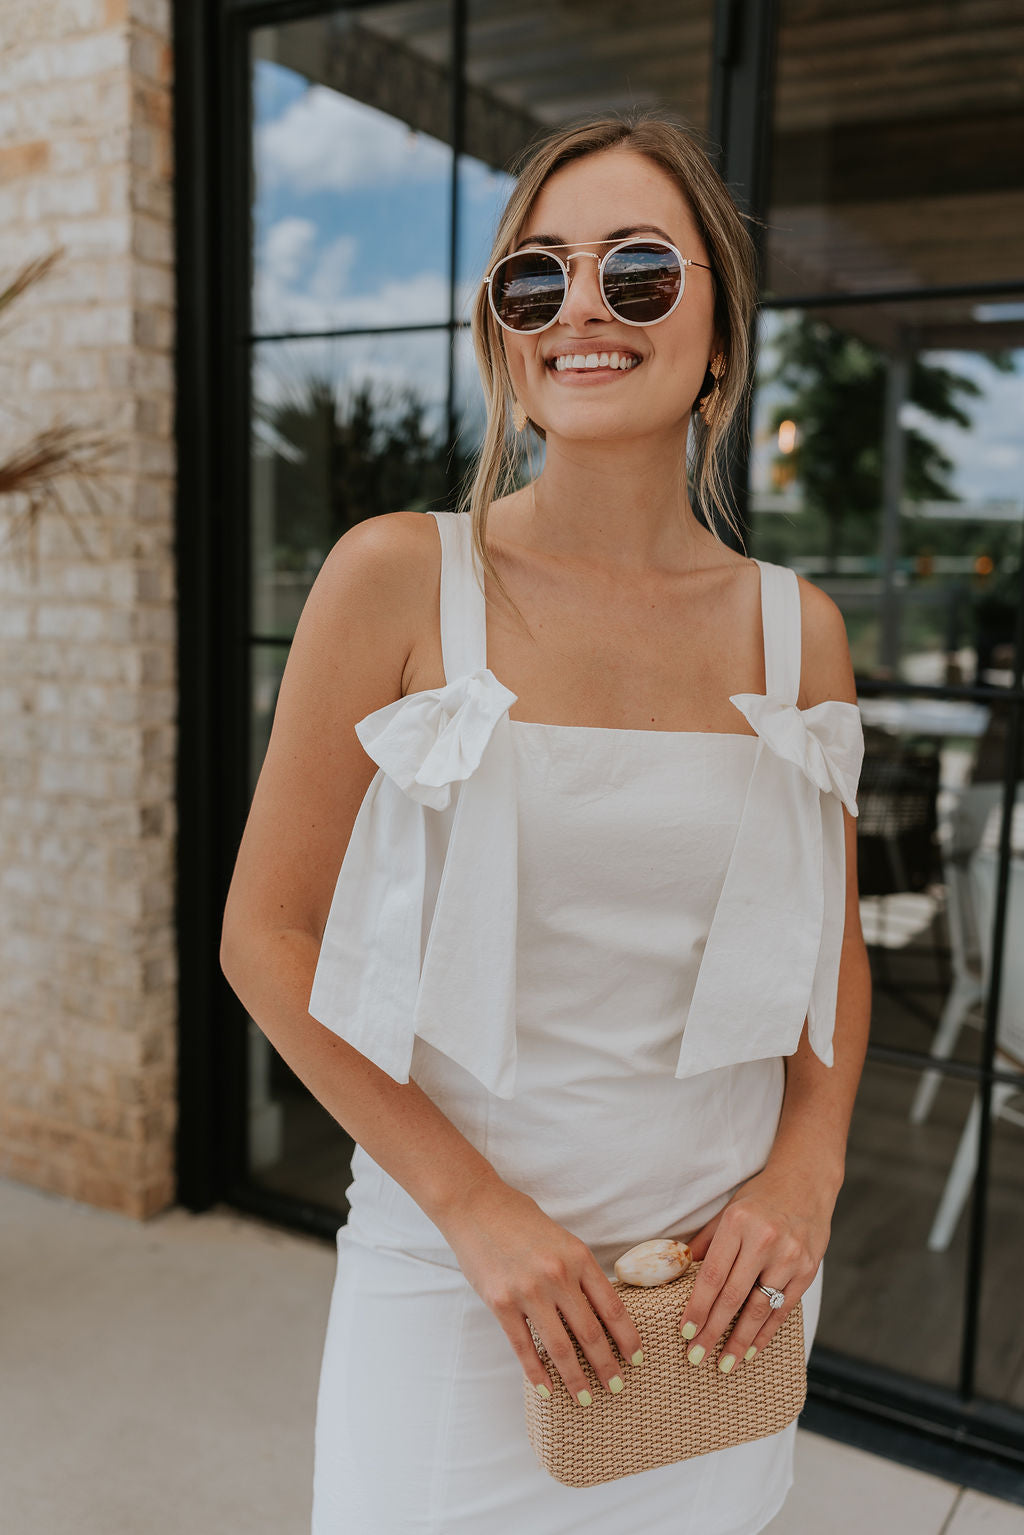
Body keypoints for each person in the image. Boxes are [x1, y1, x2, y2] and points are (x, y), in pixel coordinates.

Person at [220, 107, 872, 1535]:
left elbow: (829, 953)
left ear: (720, 334)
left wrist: (805, 1178)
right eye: (539, 278)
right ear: (506, 329)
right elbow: (267, 936)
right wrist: (477, 1214)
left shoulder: (794, 630)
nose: (583, 307)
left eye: (638, 271)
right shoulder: (395, 578)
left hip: (721, 1290)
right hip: (460, 1277)